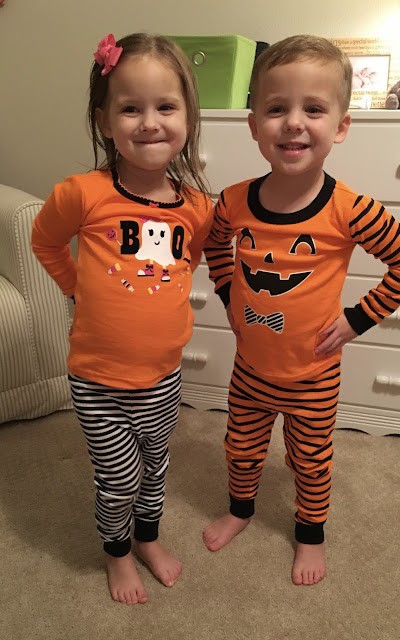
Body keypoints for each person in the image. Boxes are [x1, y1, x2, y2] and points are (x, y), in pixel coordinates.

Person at [203, 35, 400, 586]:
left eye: (314, 109)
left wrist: (356, 319)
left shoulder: (350, 208)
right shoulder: (233, 200)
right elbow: (213, 243)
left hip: (313, 375)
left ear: (341, 127)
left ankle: (309, 533)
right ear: (254, 125)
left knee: (310, 460)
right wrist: (229, 291)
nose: (294, 123)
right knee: (240, 448)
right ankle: (240, 510)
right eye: (277, 108)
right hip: (251, 368)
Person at [32, 32, 212, 605]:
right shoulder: (81, 193)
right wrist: (79, 290)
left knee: (155, 469)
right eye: (131, 108)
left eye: (166, 106)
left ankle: (148, 539)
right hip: (98, 379)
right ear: (104, 121)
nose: (150, 122)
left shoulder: (197, 207)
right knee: (119, 479)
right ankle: (116, 553)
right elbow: (45, 243)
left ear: (188, 117)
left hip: (163, 376)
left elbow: (187, 264)